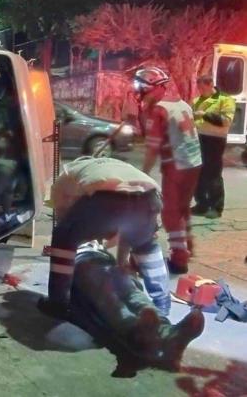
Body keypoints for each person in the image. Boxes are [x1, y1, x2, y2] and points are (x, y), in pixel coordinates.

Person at [39, 156, 170, 320]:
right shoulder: (120, 164)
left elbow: (62, 216)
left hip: (107, 202)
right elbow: (127, 231)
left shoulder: (67, 175)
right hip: (149, 199)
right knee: (146, 247)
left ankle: (58, 303)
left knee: (62, 237)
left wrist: (76, 239)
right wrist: (121, 263)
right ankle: (162, 305)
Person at [69, 242, 205, 369]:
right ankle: (138, 331)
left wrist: (121, 264)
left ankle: (168, 335)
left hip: (104, 261)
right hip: (81, 264)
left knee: (131, 291)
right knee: (109, 297)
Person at [136, 67, 202, 275]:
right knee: (183, 208)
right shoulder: (181, 104)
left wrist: (142, 175)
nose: (140, 91)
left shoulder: (158, 110)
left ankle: (179, 258)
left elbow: (152, 147)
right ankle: (188, 246)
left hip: (177, 165)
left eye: (142, 87)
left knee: (170, 213)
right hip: (194, 163)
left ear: (152, 87)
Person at [191, 74, 235, 219]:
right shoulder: (196, 100)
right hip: (198, 139)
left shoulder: (225, 100)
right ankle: (202, 204)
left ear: (211, 84)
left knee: (213, 174)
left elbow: (225, 121)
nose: (200, 90)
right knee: (198, 173)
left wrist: (204, 114)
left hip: (215, 141)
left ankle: (216, 207)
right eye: (198, 88)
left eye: (202, 87)